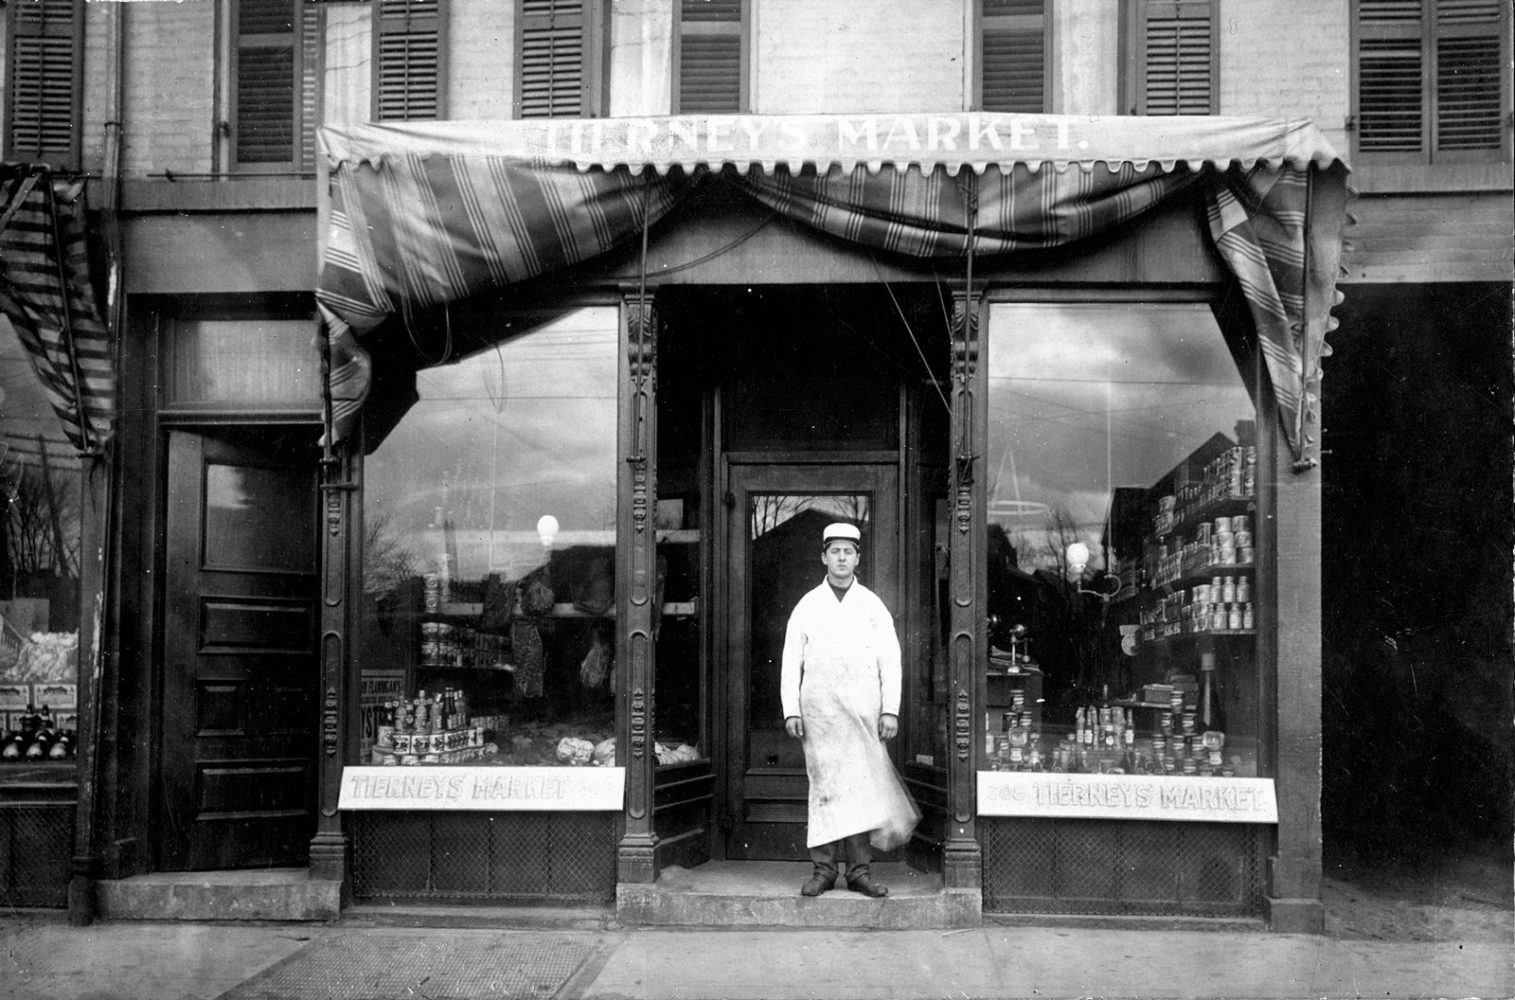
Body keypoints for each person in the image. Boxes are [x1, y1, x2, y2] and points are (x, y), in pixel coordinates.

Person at [781, 521, 920, 898]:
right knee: (825, 788)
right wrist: (791, 709)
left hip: (863, 714)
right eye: (835, 551)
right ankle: (823, 869)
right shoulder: (807, 606)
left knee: (861, 789)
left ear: (858, 558)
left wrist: (890, 709)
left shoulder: (872, 606)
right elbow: (791, 660)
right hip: (821, 716)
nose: (841, 558)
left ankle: (859, 872)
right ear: (824, 557)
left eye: (848, 552)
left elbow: (890, 661)